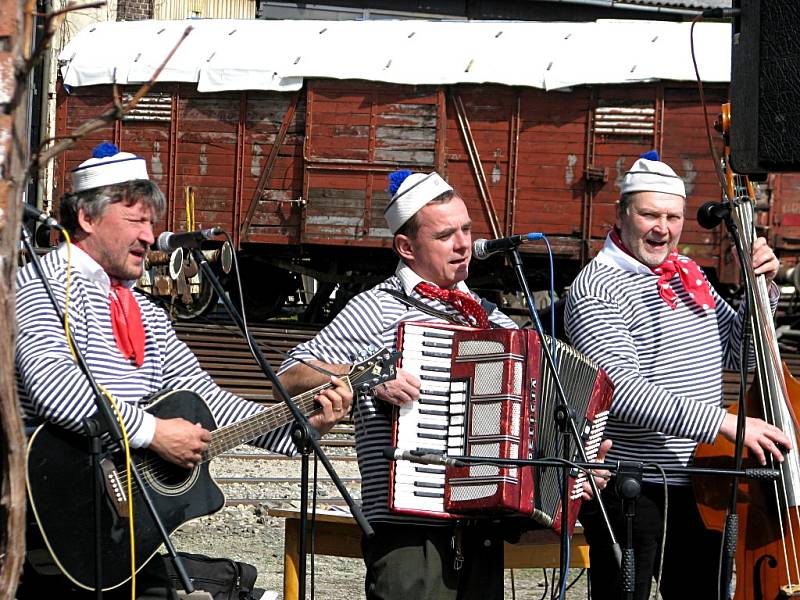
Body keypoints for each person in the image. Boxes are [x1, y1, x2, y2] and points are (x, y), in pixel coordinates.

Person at [15, 143, 352, 599]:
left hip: (120, 525)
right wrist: (154, 433)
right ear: (87, 219)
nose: (151, 237)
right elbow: (52, 386)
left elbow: (209, 401)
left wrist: (297, 424)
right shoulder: (44, 285)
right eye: (136, 221)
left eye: (152, 224)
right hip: (56, 502)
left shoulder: (145, 313)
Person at [278, 169, 522, 600]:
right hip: (408, 528)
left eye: (466, 229)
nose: (464, 244)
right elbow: (289, 375)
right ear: (406, 247)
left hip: (482, 525)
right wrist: (366, 375)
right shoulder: (377, 308)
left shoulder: (490, 319)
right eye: (446, 234)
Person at [564, 151, 793, 599]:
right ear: (621, 213)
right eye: (649, 214)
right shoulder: (597, 286)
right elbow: (621, 392)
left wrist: (759, 288)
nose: (662, 228)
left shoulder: (688, 277)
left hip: (700, 481)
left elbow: (739, 354)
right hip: (634, 485)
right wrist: (726, 424)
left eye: (672, 216)